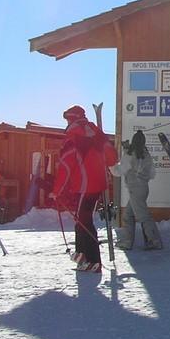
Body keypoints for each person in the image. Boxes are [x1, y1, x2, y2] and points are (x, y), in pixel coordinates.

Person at [50, 105, 117, 272]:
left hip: (84, 184)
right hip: (99, 183)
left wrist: (57, 190)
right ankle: (82, 255)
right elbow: (112, 157)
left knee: (83, 221)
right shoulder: (97, 134)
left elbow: (65, 165)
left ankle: (92, 260)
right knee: (82, 219)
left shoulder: (73, 137)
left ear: (70, 119)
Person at [113, 131, 162, 251]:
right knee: (128, 214)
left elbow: (118, 171)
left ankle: (154, 241)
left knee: (143, 216)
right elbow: (152, 174)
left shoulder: (130, 155)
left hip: (134, 189)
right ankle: (127, 241)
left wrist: (110, 165)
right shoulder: (146, 155)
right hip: (143, 188)